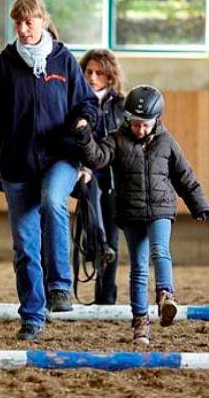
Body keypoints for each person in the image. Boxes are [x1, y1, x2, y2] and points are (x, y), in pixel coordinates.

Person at [0, 0, 98, 342]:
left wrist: (84, 120)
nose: (23, 29)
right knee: (25, 245)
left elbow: (87, 101)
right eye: (18, 23)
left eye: (29, 22)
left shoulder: (63, 60)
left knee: (54, 201)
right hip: (18, 164)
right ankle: (32, 316)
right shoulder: (6, 63)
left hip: (60, 157)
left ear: (42, 20)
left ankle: (59, 286)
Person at [73, 84, 209, 345]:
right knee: (138, 267)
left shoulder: (167, 142)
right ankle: (140, 323)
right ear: (128, 119)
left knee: (160, 251)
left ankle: (166, 295)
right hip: (131, 211)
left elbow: (184, 175)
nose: (140, 129)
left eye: (145, 124)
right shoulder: (116, 139)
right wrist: (84, 138)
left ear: (156, 120)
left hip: (161, 208)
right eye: (135, 124)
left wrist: (198, 204)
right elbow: (97, 158)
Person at [78, 49, 127, 305]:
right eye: (89, 72)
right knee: (93, 220)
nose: (93, 77)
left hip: (114, 174)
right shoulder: (74, 102)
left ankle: (106, 296)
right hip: (85, 172)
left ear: (109, 76)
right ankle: (96, 246)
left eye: (99, 73)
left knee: (113, 235)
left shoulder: (122, 105)